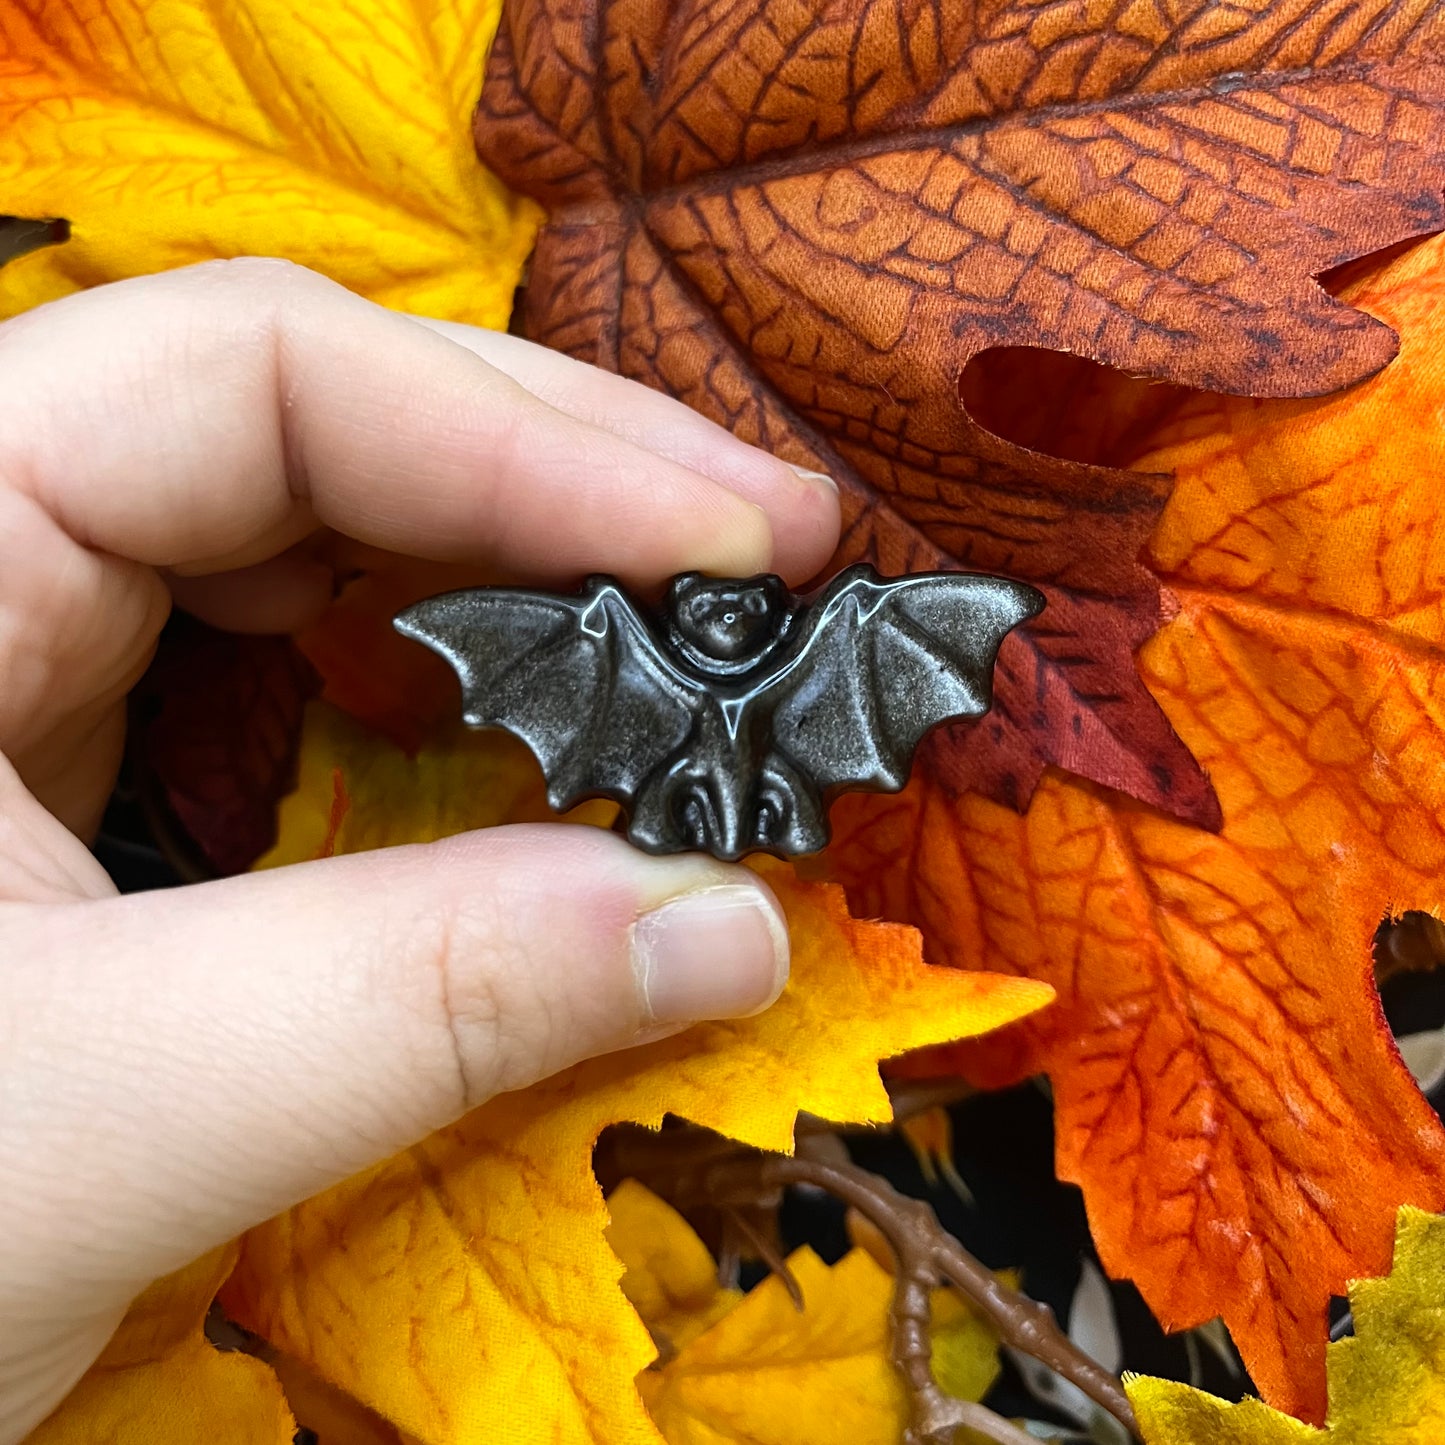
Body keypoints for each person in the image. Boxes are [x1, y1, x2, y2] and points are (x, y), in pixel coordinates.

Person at [0, 259, 841, 1439]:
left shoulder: (821, 652)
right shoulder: (608, 650)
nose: (720, 619)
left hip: (746, 772)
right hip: (662, 761)